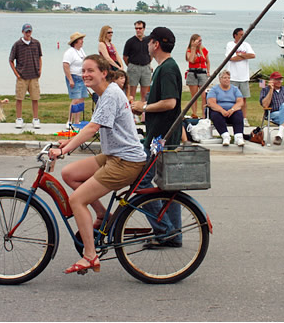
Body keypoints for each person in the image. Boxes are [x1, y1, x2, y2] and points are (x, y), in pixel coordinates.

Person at [48, 54, 147, 275]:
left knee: (76, 200)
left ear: (104, 73)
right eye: (83, 71)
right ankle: (102, 215)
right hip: (114, 155)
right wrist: (69, 141)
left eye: (90, 70)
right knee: (69, 174)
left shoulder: (110, 94)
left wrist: (64, 150)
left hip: (126, 161)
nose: (85, 74)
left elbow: (92, 128)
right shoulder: (104, 94)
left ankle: (90, 256)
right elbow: (96, 128)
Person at [131, 27, 183, 248]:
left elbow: (170, 102)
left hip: (160, 140)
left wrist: (145, 107)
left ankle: (165, 230)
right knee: (166, 186)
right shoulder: (163, 68)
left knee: (140, 182)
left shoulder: (168, 69)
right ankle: (174, 235)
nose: (149, 45)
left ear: (155, 44)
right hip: (160, 136)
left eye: (150, 41)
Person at [9, 23, 42, 129]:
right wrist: (16, 73)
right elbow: (11, 60)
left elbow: (40, 57)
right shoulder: (17, 44)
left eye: (29, 31)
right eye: (26, 31)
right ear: (23, 32)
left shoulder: (36, 43)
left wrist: (40, 69)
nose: (28, 33)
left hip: (34, 75)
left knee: (35, 98)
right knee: (19, 98)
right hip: (22, 76)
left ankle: (35, 119)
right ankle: (19, 118)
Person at [225, 27, 255, 126]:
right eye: (241, 34)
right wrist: (244, 55)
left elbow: (252, 56)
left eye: (243, 34)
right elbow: (231, 58)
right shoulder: (230, 44)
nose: (243, 36)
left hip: (244, 77)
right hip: (233, 76)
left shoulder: (246, 45)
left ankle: (244, 118)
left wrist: (241, 55)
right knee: (232, 98)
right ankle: (232, 117)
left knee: (243, 99)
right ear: (235, 35)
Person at [207, 70, 245, 146]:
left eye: (228, 78)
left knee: (238, 114)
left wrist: (232, 109)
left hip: (232, 110)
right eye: (224, 78)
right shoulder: (214, 89)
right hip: (219, 110)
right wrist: (221, 110)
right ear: (220, 79)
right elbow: (211, 102)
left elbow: (240, 102)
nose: (227, 79)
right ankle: (225, 136)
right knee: (216, 115)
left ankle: (238, 137)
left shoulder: (235, 89)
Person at [122, 20, 152, 104]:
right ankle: (131, 112)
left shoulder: (148, 40)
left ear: (144, 29)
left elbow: (151, 54)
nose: (138, 30)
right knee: (131, 93)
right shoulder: (130, 41)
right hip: (134, 67)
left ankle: (143, 112)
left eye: (140, 28)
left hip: (146, 67)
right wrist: (130, 66)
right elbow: (125, 57)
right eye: (136, 28)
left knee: (145, 93)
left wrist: (149, 63)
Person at [63, 32, 88, 125]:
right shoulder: (69, 52)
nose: (82, 41)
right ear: (75, 42)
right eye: (80, 39)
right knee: (75, 99)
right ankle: (69, 120)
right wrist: (70, 79)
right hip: (74, 77)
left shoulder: (81, 50)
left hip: (82, 77)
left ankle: (77, 121)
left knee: (81, 99)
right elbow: (65, 65)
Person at [185, 34, 210, 118]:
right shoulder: (189, 50)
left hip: (202, 72)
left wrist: (208, 71)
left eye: (200, 41)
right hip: (193, 73)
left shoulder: (204, 50)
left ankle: (204, 115)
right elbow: (191, 60)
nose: (200, 42)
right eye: (198, 41)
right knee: (194, 95)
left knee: (204, 95)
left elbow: (207, 61)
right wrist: (193, 48)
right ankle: (194, 113)